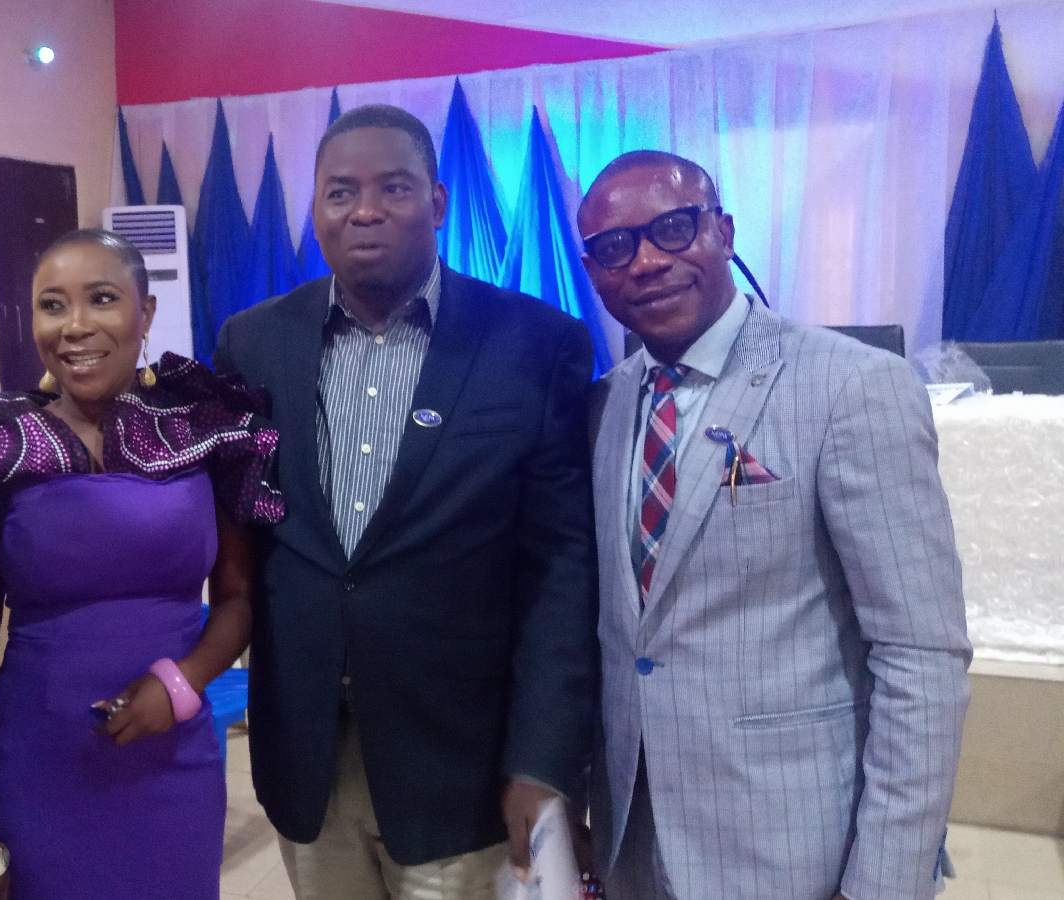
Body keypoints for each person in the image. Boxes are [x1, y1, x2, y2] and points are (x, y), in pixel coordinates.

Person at [213, 104, 600, 900]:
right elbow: (234, 528)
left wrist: (544, 757)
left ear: (438, 201)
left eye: (393, 187)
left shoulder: (535, 343)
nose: (365, 210)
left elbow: (561, 568)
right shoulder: (252, 344)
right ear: (315, 208)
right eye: (340, 192)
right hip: (310, 761)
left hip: (464, 768)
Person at [579, 150, 971, 900]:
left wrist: (885, 882)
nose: (648, 261)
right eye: (615, 247)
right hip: (635, 840)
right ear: (593, 272)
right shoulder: (602, 406)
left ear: (723, 232)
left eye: (674, 228)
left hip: (793, 843)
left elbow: (921, 656)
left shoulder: (851, 385)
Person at [0, 228, 284, 900]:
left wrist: (181, 683)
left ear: (144, 313)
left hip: (173, 767)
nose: (75, 326)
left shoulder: (203, 431)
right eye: (52, 305)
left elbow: (238, 599)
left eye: (101, 299)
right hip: (37, 772)